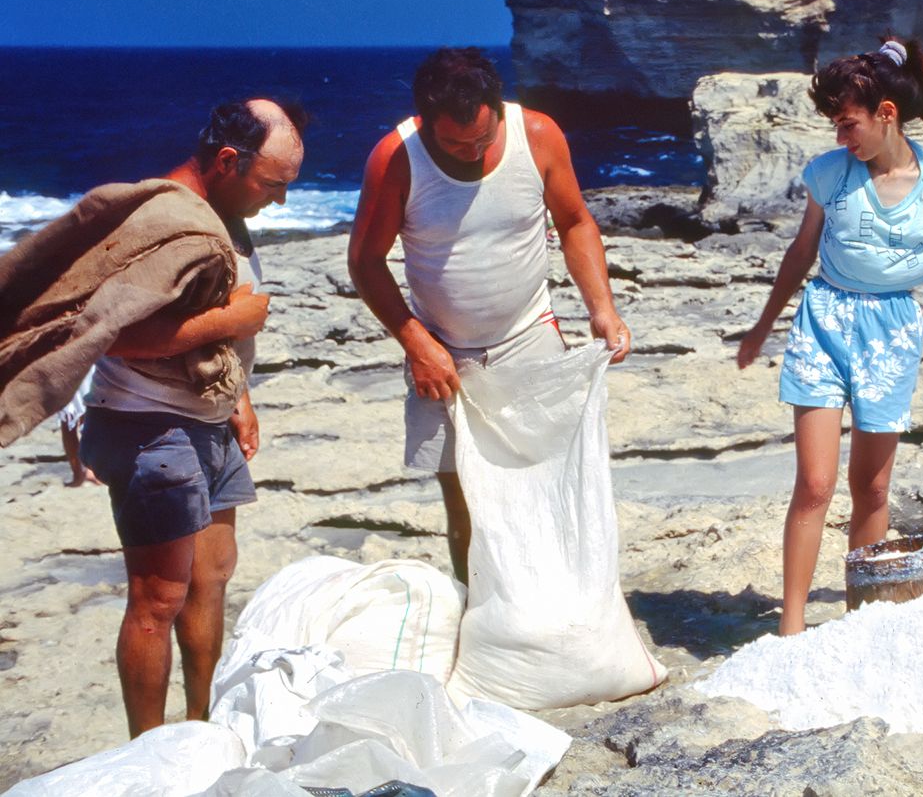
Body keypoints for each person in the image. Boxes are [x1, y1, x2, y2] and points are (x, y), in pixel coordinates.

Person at [737, 37, 923, 635]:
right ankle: (790, 631)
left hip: (891, 331)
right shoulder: (831, 175)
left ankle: (859, 621)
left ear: (885, 115)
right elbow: (802, 251)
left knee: (873, 485)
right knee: (814, 482)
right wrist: (764, 325)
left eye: (848, 124)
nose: (842, 139)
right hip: (824, 320)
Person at [347, 47, 631, 585]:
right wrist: (416, 343)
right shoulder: (397, 158)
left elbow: (574, 223)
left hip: (530, 337)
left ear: (497, 109)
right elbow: (364, 260)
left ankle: (555, 610)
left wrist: (602, 309)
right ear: (424, 122)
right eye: (456, 142)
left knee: (547, 484)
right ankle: (484, 622)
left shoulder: (539, 134)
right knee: (468, 502)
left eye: (483, 137)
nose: (474, 151)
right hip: (442, 352)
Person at [77, 98, 305, 736]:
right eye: (274, 185)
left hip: (207, 422)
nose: (280, 203)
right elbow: (108, 335)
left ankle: (198, 731)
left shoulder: (224, 211)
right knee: (158, 600)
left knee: (211, 578)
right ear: (229, 161)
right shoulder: (162, 217)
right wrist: (233, 321)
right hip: (150, 425)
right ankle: (146, 756)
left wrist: (240, 398)